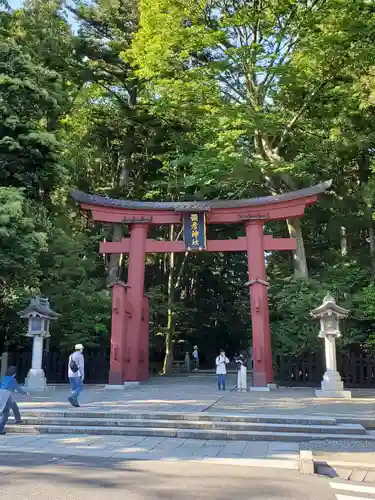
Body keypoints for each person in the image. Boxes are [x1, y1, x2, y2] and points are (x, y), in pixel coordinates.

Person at [0, 366, 30, 434]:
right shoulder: (13, 380)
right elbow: (18, 388)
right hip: (7, 396)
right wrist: (26, 393)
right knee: (5, 414)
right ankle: (0, 429)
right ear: (14, 373)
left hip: (4, 395)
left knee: (14, 406)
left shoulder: (3, 378)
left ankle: (18, 420)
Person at [68, 343, 85, 408]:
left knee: (74, 388)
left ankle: (75, 403)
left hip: (70, 374)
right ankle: (72, 397)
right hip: (77, 374)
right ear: (80, 349)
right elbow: (81, 366)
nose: (82, 349)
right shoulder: (80, 356)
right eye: (82, 348)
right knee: (79, 387)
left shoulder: (71, 355)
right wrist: (82, 375)